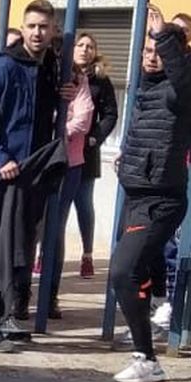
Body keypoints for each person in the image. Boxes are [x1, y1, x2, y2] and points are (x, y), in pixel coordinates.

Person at [106, 7, 191, 382]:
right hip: (137, 192)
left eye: (157, 49)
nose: (150, 54)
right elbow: (154, 136)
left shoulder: (185, 88)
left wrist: (166, 35)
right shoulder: (151, 86)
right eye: (147, 48)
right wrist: (128, 159)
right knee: (134, 276)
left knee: (121, 271)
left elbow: (183, 84)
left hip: (161, 200)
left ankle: (146, 358)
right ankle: (144, 353)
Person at [0, 0, 61, 343]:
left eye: (44, 27)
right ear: (23, 27)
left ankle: (6, 318)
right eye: (31, 26)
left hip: (30, 176)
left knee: (18, 251)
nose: (37, 32)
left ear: (53, 30)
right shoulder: (5, 67)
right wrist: (1, 157)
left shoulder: (49, 65)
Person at [46, 31, 118, 312]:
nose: (85, 50)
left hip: (84, 154)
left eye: (90, 46)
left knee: (83, 204)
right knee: (51, 220)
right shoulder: (58, 73)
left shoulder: (99, 80)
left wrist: (94, 136)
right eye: (81, 45)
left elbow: (110, 114)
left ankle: (87, 252)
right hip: (57, 153)